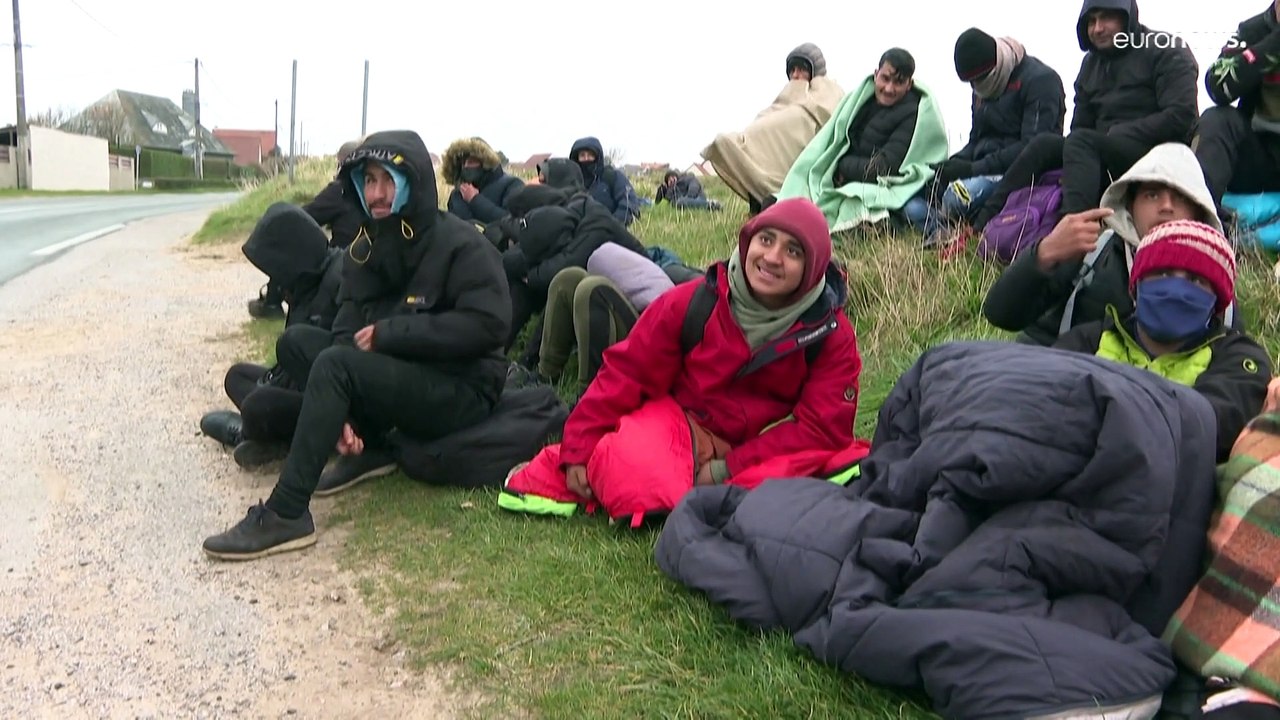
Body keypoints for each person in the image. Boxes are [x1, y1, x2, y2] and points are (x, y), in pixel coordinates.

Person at [202, 130, 512, 560]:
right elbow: (346, 332)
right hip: (399, 379)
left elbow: (490, 326)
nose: (377, 193)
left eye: (387, 181)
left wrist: (394, 333)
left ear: (414, 184)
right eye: (368, 181)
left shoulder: (461, 242)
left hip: (461, 387)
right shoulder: (363, 250)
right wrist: (344, 410)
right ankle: (366, 436)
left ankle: (288, 512)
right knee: (301, 343)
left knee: (334, 368)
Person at [499, 198, 862, 519]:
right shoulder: (693, 302)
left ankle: (707, 488)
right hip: (684, 426)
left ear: (812, 267)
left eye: (793, 251)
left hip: (768, 443)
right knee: (632, 472)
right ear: (748, 241)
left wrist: (724, 469)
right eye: (766, 240)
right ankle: (663, 480)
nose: (771, 257)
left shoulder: (829, 333)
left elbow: (822, 427)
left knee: (843, 462)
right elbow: (627, 372)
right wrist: (579, 446)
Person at [968, 0, 1200, 236]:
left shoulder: (1166, 49)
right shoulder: (1091, 64)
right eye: (1091, 21)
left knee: (1082, 141)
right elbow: (1080, 125)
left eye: (1106, 18)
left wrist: (1115, 134)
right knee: (1044, 144)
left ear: (1127, 16)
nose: (1097, 28)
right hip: (1099, 150)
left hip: (1156, 151)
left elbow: (1181, 116)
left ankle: (1071, 237)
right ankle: (979, 226)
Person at [1053, 219, 1269, 461]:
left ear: (1216, 302)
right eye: (1163, 273)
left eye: (1195, 280)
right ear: (1135, 287)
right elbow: (1045, 399)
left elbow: (1211, 423)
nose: (1176, 288)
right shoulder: (1088, 339)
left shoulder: (1239, 357)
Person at [982, 142, 1223, 346]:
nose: (1166, 207)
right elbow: (1000, 314)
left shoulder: (1214, 277)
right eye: (1152, 195)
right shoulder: (1090, 252)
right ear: (1129, 206)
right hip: (1057, 385)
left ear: (1199, 213)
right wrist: (1044, 253)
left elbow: (1229, 355)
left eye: (1181, 198)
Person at [200, 203, 345, 469]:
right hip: (301, 384)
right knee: (237, 376)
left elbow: (329, 361)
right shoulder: (306, 280)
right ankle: (272, 438)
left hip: (331, 398)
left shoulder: (338, 283)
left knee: (257, 404)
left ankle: (254, 432)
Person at [902, 28, 1066, 246]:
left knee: (956, 198)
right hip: (982, 169)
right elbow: (977, 139)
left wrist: (972, 169)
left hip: (1019, 175)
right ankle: (943, 230)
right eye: (970, 82)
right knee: (912, 200)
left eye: (978, 80)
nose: (975, 87)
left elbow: (1032, 149)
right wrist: (954, 163)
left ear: (995, 67)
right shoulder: (981, 87)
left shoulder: (1041, 81)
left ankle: (951, 222)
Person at [777, 48, 949, 232]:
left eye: (898, 82)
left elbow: (883, 168)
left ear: (909, 84)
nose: (889, 88)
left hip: (878, 187)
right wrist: (830, 166)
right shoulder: (859, 101)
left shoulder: (914, 114)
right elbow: (834, 142)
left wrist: (841, 166)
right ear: (876, 75)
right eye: (885, 78)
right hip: (842, 179)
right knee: (779, 201)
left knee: (910, 210)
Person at [702, 44, 845, 215]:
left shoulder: (828, 93)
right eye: (792, 70)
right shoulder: (787, 99)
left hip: (810, 169)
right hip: (779, 167)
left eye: (802, 69)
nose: (796, 75)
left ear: (815, 70)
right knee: (729, 142)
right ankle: (763, 198)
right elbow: (770, 124)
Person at [247, 139, 364, 319]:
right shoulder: (373, 190)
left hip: (340, 261)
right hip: (361, 257)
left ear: (342, 164)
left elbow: (305, 218)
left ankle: (272, 302)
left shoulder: (341, 191)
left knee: (289, 236)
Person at [535, 242, 675, 385]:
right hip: (637, 311)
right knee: (567, 279)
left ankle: (589, 391)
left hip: (652, 335)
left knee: (591, 290)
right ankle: (544, 375)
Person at [1194, 1, 1280, 213]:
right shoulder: (1251, 30)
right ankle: (1201, 214)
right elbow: (1216, 86)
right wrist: (1275, 43)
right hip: (1260, 155)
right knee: (1217, 118)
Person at [441, 137, 524, 226]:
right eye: (462, 163)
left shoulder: (511, 184)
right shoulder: (457, 194)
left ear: (485, 162)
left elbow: (514, 223)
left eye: (471, 162)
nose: (465, 166)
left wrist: (475, 200)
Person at [569, 137, 642, 226]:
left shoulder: (611, 176)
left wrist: (613, 225)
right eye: (582, 155)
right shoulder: (570, 181)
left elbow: (629, 203)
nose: (586, 158)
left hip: (609, 229)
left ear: (597, 157)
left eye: (590, 155)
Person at [655, 170, 721, 211]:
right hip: (682, 203)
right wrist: (661, 189)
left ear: (676, 176)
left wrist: (688, 197)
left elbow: (694, 185)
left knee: (681, 202)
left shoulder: (687, 178)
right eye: (669, 180)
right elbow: (658, 202)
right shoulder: (671, 191)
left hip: (696, 197)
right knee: (678, 204)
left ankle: (712, 205)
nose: (671, 180)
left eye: (672, 177)